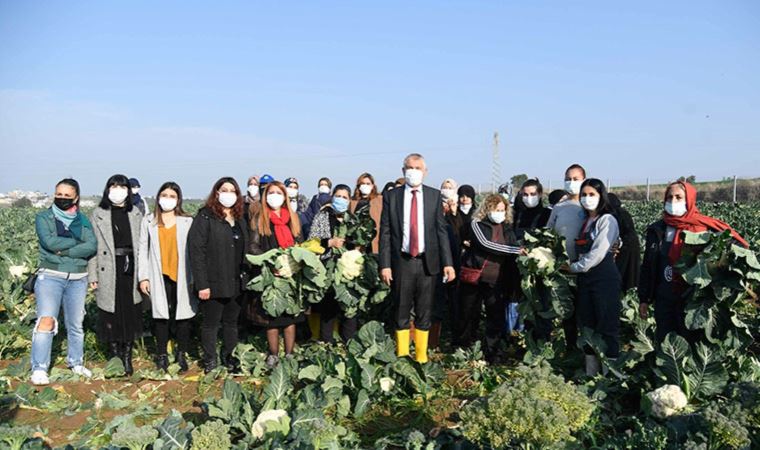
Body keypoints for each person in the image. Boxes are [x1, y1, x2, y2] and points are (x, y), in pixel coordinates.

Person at [638, 181, 749, 344]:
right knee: (665, 342)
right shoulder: (657, 229)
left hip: (692, 299)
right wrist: (644, 298)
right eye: (670, 197)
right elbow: (647, 265)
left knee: (691, 342)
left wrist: (719, 263)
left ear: (689, 200)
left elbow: (739, 245)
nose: (673, 201)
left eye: (678, 197)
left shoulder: (704, 227)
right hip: (664, 297)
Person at [379, 153, 456, 364]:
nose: (413, 171)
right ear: (403, 171)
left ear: (425, 171)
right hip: (402, 261)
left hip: (427, 262)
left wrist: (448, 263)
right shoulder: (392, 196)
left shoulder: (433, 196)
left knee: (425, 310)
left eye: (417, 168)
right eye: (409, 167)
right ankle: (403, 358)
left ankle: (421, 357)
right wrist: (385, 264)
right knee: (401, 309)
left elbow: (441, 231)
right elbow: (385, 232)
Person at [30, 178, 98, 386]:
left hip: (78, 278)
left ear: (76, 197)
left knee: (76, 324)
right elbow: (49, 243)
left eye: (67, 196)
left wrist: (64, 249)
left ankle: (75, 362)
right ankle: (39, 368)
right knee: (46, 321)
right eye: (59, 194)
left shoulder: (83, 220)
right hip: (51, 276)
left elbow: (92, 245)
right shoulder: (44, 217)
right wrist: (77, 244)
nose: (62, 198)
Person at [188, 177, 249, 373]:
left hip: (236, 281)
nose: (229, 194)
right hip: (213, 281)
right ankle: (210, 360)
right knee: (211, 324)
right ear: (216, 192)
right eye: (225, 190)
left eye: (233, 190)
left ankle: (230, 358)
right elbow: (196, 252)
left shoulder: (240, 218)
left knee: (231, 323)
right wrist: (202, 284)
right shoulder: (205, 217)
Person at [88, 174, 145, 375]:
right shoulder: (98, 214)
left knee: (129, 311)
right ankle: (115, 357)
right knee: (110, 312)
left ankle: (127, 356)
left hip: (130, 268)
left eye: (122, 187)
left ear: (128, 191)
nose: (118, 190)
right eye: (113, 186)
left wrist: (143, 274)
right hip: (108, 268)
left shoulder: (135, 213)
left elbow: (142, 245)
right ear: (107, 189)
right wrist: (92, 275)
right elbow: (92, 247)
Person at [137, 182, 196, 373]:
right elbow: (142, 250)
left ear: (178, 199)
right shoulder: (149, 221)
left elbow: (194, 251)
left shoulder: (187, 221)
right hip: (158, 273)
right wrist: (143, 277)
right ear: (158, 197)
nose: (167, 199)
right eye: (164, 195)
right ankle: (161, 354)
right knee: (160, 315)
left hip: (182, 273)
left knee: (183, 315)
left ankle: (181, 354)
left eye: (172, 196)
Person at [457, 194, 523, 362]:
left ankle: (493, 353)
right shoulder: (476, 225)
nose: (499, 213)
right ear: (487, 210)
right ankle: (463, 348)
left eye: (502, 210)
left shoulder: (507, 227)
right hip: (475, 277)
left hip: (497, 279)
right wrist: (514, 250)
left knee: (495, 317)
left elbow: (514, 244)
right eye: (496, 210)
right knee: (467, 313)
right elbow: (486, 244)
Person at [565, 178, 621, 376]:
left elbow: (597, 254)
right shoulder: (584, 221)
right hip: (585, 279)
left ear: (601, 197)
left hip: (603, 277)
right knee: (587, 326)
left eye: (592, 195)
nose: (587, 199)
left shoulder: (607, 220)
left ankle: (611, 377)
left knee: (607, 326)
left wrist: (574, 267)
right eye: (584, 195)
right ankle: (591, 375)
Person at [249, 181, 304, 367]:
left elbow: (300, 243)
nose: (274, 196)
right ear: (265, 196)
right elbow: (253, 247)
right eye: (271, 193)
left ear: (284, 196)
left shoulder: (293, 218)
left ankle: (289, 354)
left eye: (278, 193)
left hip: (290, 275)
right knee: (271, 318)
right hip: (271, 274)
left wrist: (293, 261)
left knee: (290, 317)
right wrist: (270, 262)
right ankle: (273, 354)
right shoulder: (260, 219)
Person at [309, 184, 358, 343]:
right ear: (332, 197)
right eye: (338, 196)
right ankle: (326, 341)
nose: (341, 200)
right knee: (328, 306)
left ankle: (348, 342)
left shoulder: (352, 219)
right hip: (327, 265)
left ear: (349, 200)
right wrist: (329, 242)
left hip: (347, 268)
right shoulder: (322, 216)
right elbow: (312, 242)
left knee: (349, 306)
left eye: (345, 197)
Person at [546, 164, 587, 350]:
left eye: (576, 179)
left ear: (584, 180)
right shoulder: (559, 207)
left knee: (585, 313)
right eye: (568, 179)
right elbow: (548, 233)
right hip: (564, 269)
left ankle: (587, 351)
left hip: (586, 268)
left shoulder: (590, 205)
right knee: (567, 312)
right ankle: (571, 348)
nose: (571, 182)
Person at [607, 193, 641, 292]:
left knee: (622, 271)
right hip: (632, 245)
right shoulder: (623, 212)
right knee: (632, 272)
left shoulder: (614, 214)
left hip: (624, 247)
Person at [349, 173, 383, 254]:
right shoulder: (353, 202)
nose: (365, 186)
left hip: (375, 241)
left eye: (368, 184)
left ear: (372, 185)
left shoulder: (379, 200)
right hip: (358, 243)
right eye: (363, 183)